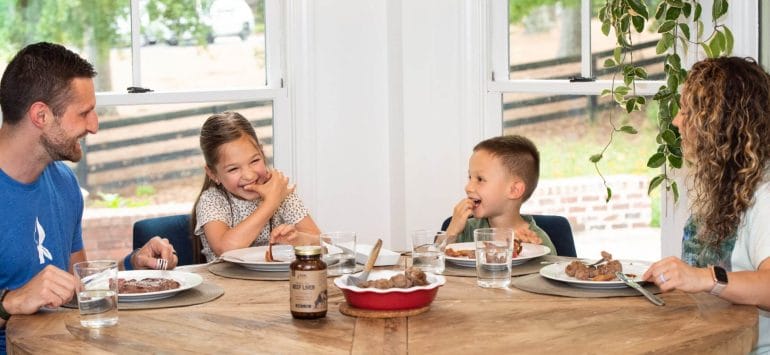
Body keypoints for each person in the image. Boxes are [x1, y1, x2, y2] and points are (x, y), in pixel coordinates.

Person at [0, 42, 177, 351]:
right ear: (40, 115)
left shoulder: (64, 183)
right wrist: (11, 301)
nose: (94, 126)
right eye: (84, 113)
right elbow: (21, 300)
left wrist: (133, 265)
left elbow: (77, 286)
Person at [642, 57, 770, 353]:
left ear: (720, 123)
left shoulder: (764, 194)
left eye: (687, 111)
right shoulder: (727, 185)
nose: (676, 120)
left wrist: (703, 277)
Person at [192, 111, 321, 262]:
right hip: (228, 283)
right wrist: (271, 202)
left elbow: (323, 243)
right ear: (213, 173)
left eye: (254, 161)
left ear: (262, 152)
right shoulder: (213, 200)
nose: (249, 175)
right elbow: (225, 248)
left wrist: (298, 239)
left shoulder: (279, 191)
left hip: (275, 282)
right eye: (233, 169)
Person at [443, 134, 556, 254]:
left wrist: (532, 252)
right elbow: (434, 264)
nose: (468, 187)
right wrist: (451, 232)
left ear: (514, 190)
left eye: (480, 179)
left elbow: (550, 271)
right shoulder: (465, 229)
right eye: (470, 177)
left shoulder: (537, 241)